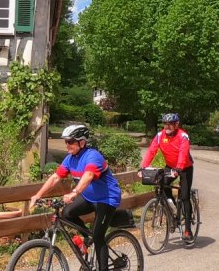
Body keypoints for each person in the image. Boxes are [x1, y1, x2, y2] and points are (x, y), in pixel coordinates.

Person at [29, 125, 121, 271]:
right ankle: (86, 237)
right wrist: (38, 195)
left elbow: (89, 175)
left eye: (70, 141)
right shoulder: (70, 159)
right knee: (67, 213)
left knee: (98, 237)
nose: (67, 145)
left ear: (82, 142)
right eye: (65, 141)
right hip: (89, 197)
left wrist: (74, 192)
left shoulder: (93, 156)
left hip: (107, 199)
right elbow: (55, 177)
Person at [139, 112, 195, 242]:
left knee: (185, 196)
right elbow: (151, 151)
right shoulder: (160, 136)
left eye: (170, 123)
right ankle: (173, 209)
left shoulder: (183, 136)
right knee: (162, 183)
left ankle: (187, 230)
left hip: (185, 168)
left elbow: (183, 153)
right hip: (170, 166)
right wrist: (143, 167)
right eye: (165, 123)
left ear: (176, 124)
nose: (167, 126)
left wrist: (179, 168)